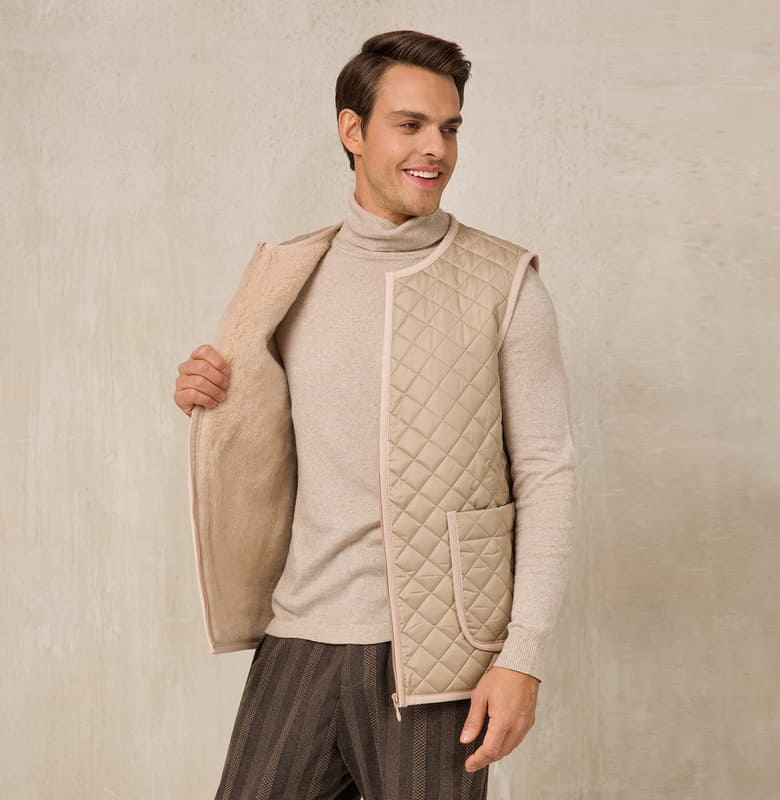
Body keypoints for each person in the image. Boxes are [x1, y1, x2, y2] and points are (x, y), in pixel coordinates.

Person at [173, 29, 576, 800]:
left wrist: (521, 656)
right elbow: (265, 436)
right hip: (300, 635)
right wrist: (206, 399)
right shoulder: (286, 274)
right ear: (353, 130)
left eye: (449, 128)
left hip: (438, 660)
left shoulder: (506, 283)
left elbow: (547, 476)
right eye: (410, 124)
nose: (436, 149)